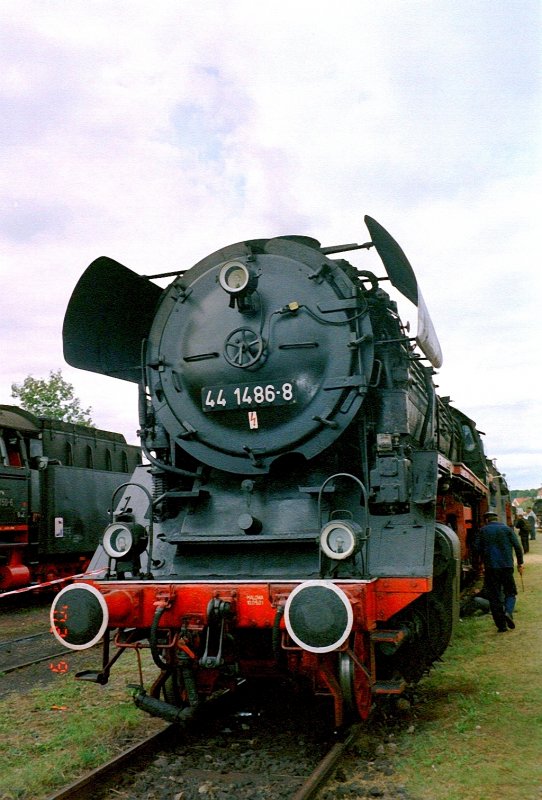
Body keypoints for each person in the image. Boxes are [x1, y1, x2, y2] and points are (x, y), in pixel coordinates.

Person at [474, 511, 524, 633]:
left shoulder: (483, 531)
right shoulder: (507, 529)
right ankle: (508, 611)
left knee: (494, 596)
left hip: (491, 568)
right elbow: (517, 546)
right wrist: (520, 563)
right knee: (510, 592)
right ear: (497, 519)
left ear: (486, 520)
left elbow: (476, 549)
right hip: (507, 566)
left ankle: (501, 626)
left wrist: (479, 564)